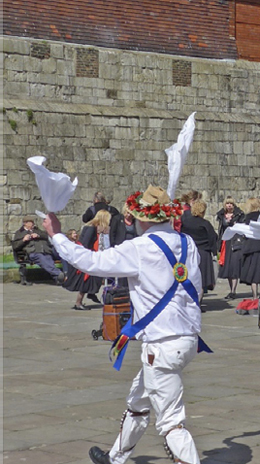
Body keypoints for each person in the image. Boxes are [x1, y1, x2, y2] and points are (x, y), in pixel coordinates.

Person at [43, 185, 205, 464]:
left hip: (162, 344)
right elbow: (198, 289)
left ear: (142, 217)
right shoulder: (187, 243)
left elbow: (91, 262)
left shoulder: (139, 247)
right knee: (138, 401)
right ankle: (115, 457)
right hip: (187, 338)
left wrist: (56, 235)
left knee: (171, 424)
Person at [63, 210, 112, 309]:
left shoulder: (91, 226)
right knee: (85, 283)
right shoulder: (91, 228)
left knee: (92, 280)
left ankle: (89, 294)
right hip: (86, 257)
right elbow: (86, 244)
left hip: (88, 256)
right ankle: (78, 303)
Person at [181, 200, 219, 295]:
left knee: (190, 278)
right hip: (203, 253)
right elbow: (213, 238)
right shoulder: (205, 224)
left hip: (189, 252)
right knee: (201, 281)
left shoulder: (185, 222)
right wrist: (214, 252)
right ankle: (198, 303)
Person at [12, 215, 64, 284]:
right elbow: (15, 246)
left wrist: (38, 235)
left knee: (48, 259)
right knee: (42, 258)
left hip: (45, 251)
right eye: (31, 222)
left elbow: (46, 236)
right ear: (25, 223)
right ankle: (58, 274)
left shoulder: (37, 230)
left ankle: (58, 278)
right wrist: (23, 240)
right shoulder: (20, 233)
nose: (33, 224)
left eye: (33, 222)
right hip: (33, 252)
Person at [216, 196, 245, 299]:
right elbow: (221, 229)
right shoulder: (221, 215)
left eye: (231, 204)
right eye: (228, 204)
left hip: (235, 242)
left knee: (234, 266)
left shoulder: (239, 214)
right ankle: (231, 289)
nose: (229, 206)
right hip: (226, 242)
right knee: (227, 267)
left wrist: (233, 221)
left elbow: (241, 227)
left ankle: (233, 290)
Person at [109, 204, 139, 287]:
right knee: (122, 269)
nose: (129, 215)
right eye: (127, 213)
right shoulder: (117, 219)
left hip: (132, 250)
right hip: (120, 249)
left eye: (131, 213)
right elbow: (112, 234)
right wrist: (113, 247)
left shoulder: (136, 221)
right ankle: (122, 288)